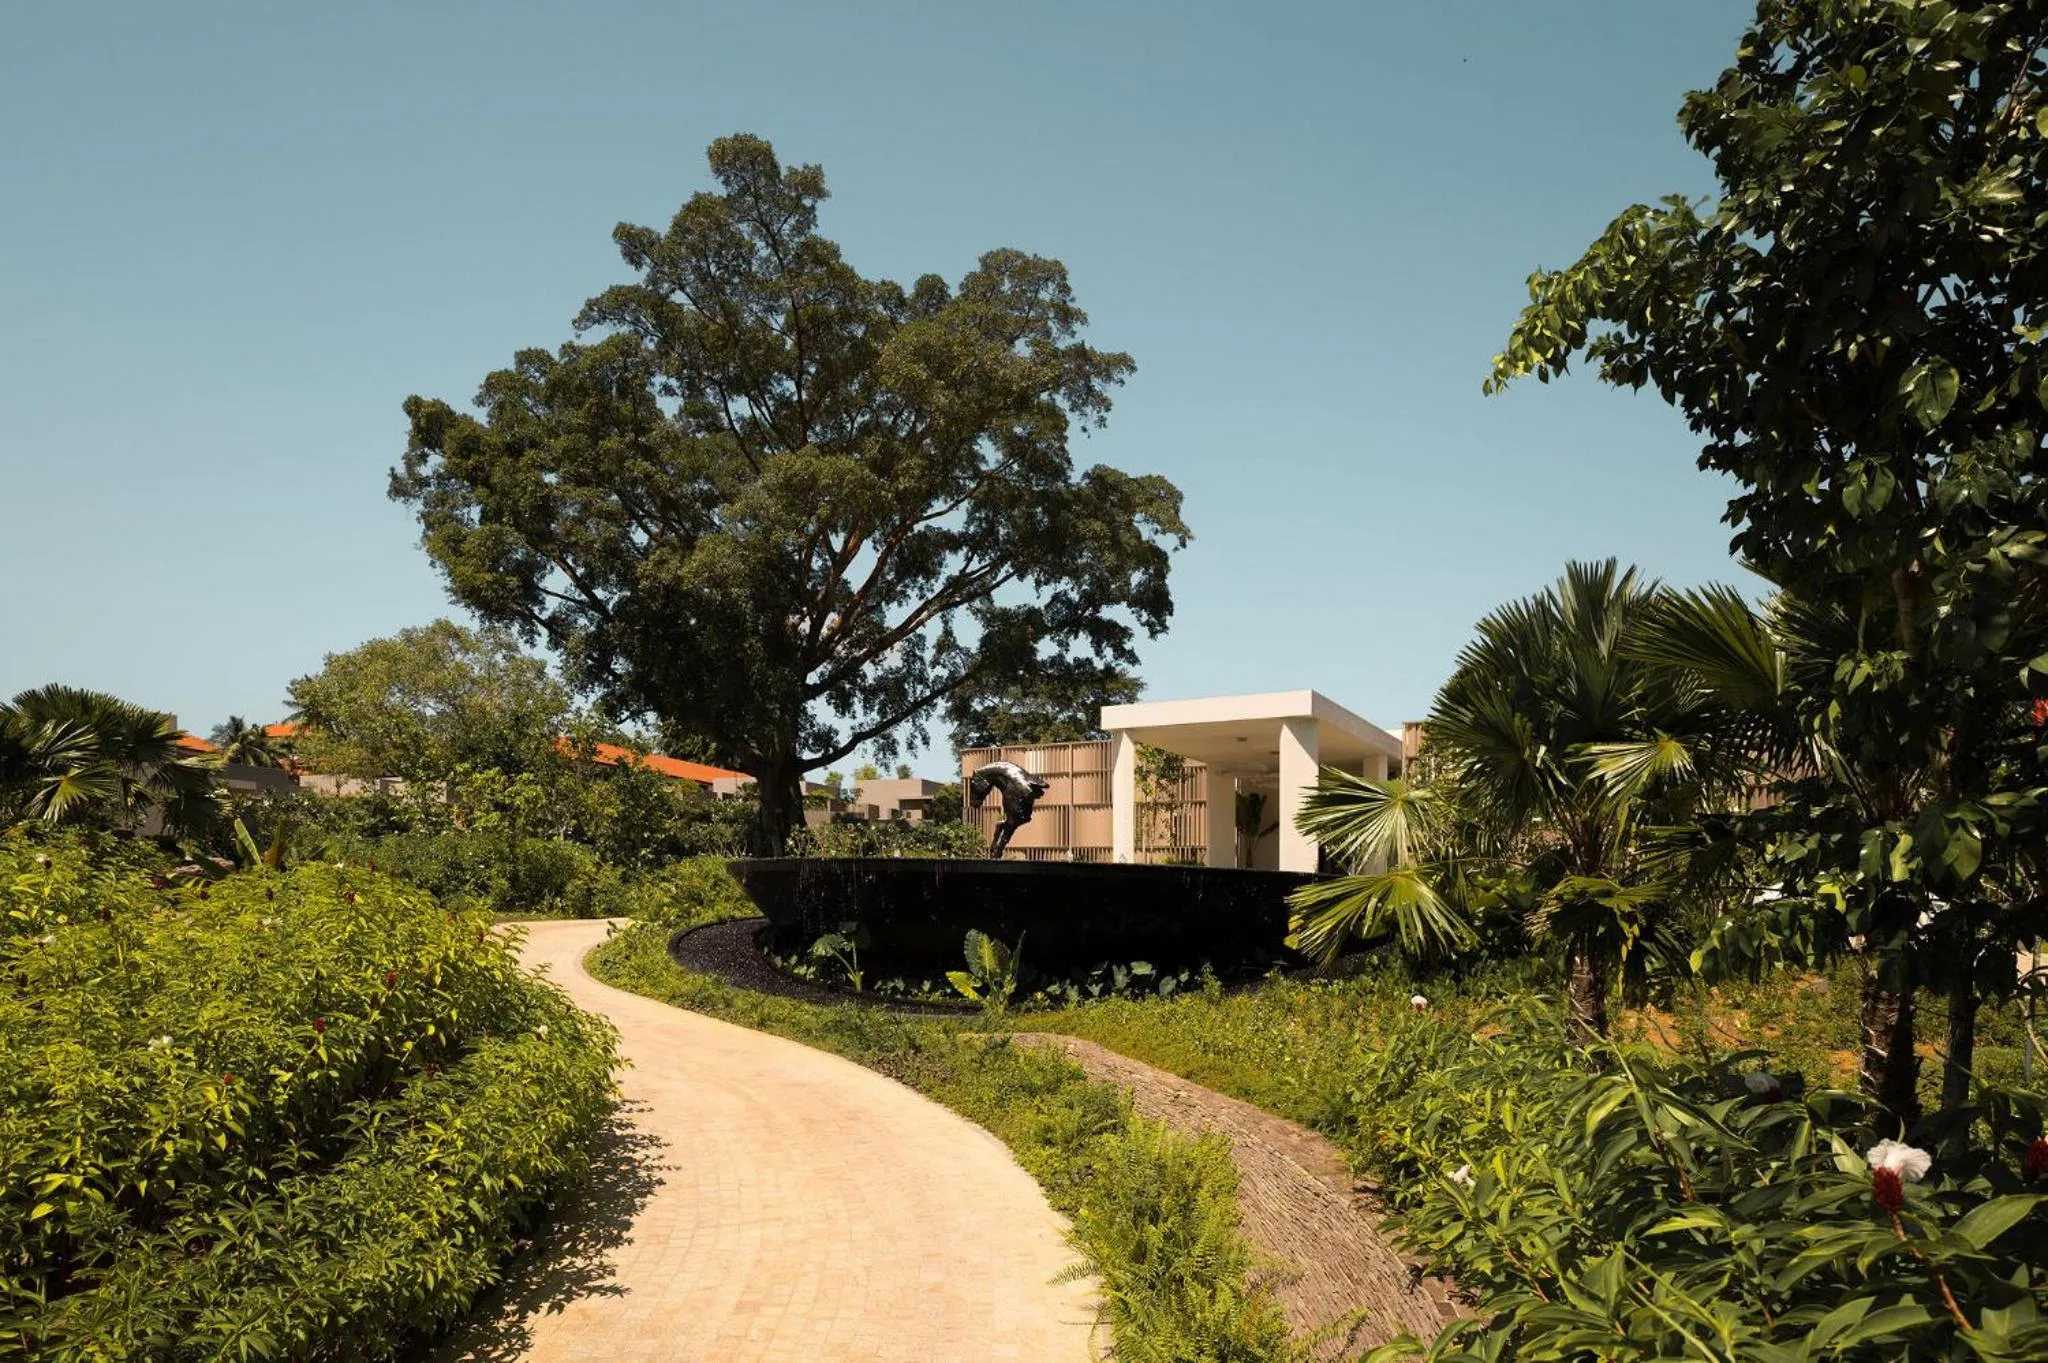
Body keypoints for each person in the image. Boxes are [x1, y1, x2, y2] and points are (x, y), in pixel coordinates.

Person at [969, 760, 1050, 857]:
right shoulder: (984, 775)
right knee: (1015, 820)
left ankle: (998, 847)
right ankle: (998, 850)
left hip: (1021, 785)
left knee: (1019, 819)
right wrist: (976, 800)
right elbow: (979, 784)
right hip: (1018, 786)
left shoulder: (1001, 776)